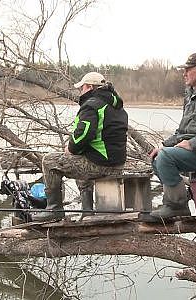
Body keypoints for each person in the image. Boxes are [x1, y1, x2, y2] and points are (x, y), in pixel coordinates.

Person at [33, 71, 128, 221]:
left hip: (102, 165)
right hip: (117, 163)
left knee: (49, 161)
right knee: (81, 163)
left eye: (82, 88)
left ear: (89, 87)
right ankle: (87, 212)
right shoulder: (117, 107)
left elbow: (84, 133)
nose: (80, 91)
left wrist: (70, 149)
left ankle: (54, 209)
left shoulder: (92, 106)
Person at [149, 53, 196, 218]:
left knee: (166, 158)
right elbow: (183, 131)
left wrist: (192, 144)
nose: (184, 73)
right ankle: (180, 198)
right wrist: (164, 145)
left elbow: (192, 138)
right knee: (158, 156)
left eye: (187, 70)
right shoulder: (190, 95)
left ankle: (176, 206)